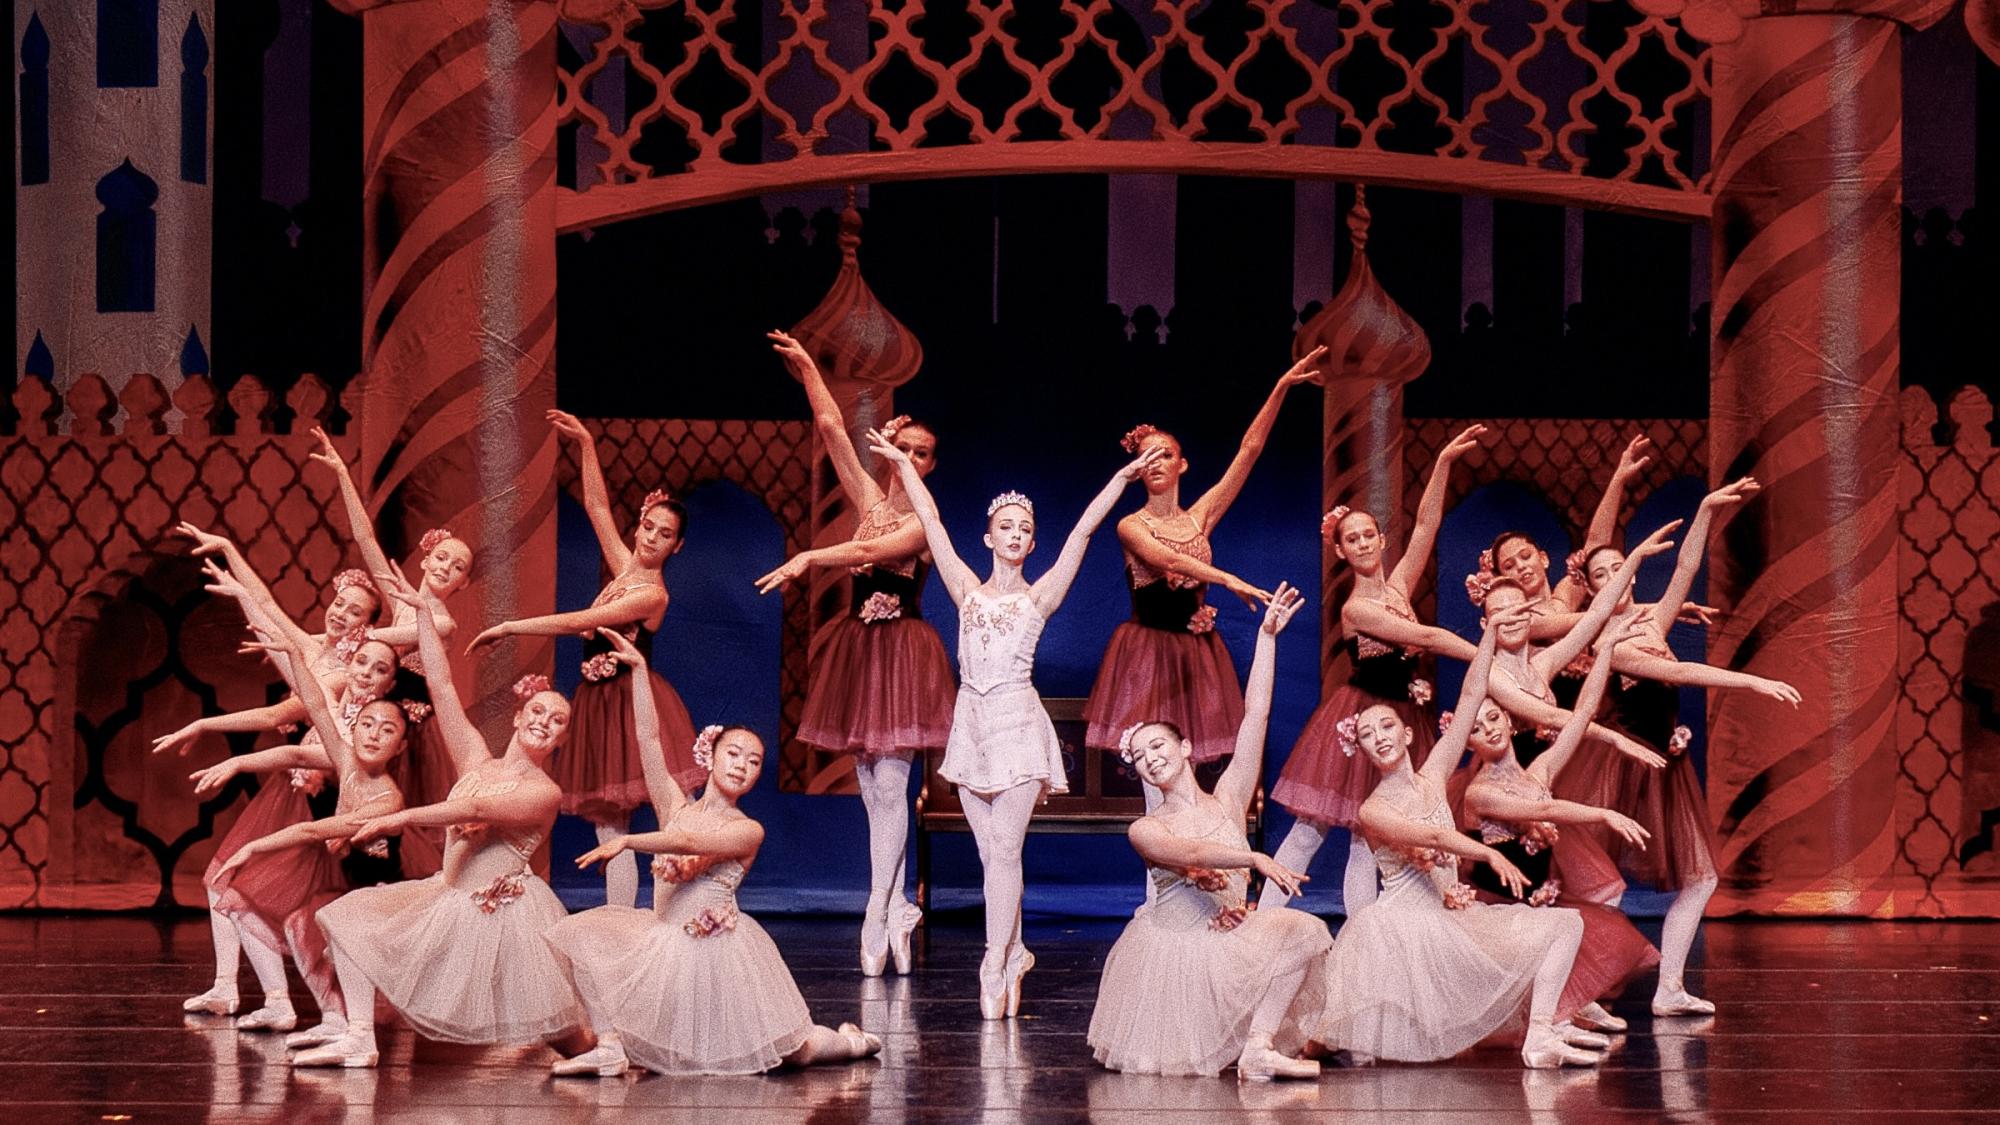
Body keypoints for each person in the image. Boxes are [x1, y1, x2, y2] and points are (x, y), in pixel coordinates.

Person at [870, 428, 1166, 1018]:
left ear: (1032, 544)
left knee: (1005, 851)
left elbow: (1082, 532)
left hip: (1019, 731)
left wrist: (1120, 480)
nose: (1014, 535)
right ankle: (1013, 952)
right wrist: (903, 465)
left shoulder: (1039, 598)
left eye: (1024, 529)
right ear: (988, 537)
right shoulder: (965, 591)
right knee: (994, 860)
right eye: (1005, 527)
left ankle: (993, 961)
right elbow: (930, 521)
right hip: (971, 732)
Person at [543, 629, 883, 1077]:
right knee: (583, 937)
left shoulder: (747, 830)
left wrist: (628, 840)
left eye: (753, 761)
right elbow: (648, 739)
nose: (742, 765)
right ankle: (609, 1047)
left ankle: (852, 1042)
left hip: (719, 954)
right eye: (734, 754)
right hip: (665, 942)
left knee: (795, 1050)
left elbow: (689, 843)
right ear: (710, 756)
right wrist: (640, 671)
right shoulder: (675, 807)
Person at [299, 571, 590, 1068]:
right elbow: (442, 685)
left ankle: (610, 1050)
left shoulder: (544, 792)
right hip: (450, 894)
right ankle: (360, 1038)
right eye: (538, 711)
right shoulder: (475, 757)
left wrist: (398, 818)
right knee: (344, 919)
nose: (544, 722)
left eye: (556, 720)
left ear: (561, 738)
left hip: (504, 914)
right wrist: (422, 617)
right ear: (518, 717)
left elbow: (474, 810)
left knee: (565, 1036)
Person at [1314, 605, 1604, 1069]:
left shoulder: (1434, 774)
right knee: (1353, 1049)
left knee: (1565, 925)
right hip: (1400, 930)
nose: (1380, 737)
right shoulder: (1373, 809)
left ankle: (1541, 1037)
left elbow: (1471, 692)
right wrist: (1488, 855)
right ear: (1360, 748)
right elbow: (1431, 834)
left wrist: (1490, 634)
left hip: (1450, 920)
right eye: (1367, 734)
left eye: (1387, 726)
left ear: (1408, 734)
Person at [1557, 477, 1801, 1016]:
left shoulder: (1651, 620)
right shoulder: (1607, 641)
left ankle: (1669, 988)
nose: (1614, 578)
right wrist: (1750, 680)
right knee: (1596, 883)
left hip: (1663, 766)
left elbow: (1685, 568)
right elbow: (1680, 671)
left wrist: (1707, 510)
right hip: (1617, 764)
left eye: (1618, 567)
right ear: (1592, 591)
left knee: (1702, 877)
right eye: (1600, 575)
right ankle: (1572, 990)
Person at [757, 330, 955, 975]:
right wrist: (810, 369)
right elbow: (832, 430)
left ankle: (877, 908)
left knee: (892, 786)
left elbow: (870, 553)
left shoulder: (923, 520)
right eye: (905, 447)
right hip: (860, 654)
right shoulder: (871, 503)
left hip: (903, 658)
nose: (910, 458)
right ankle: (895, 903)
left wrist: (811, 555)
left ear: (930, 465)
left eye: (922, 453)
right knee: (873, 790)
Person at [1087, 585, 1333, 1080]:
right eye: (1139, 756)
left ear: (1185, 748)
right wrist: (1254, 858)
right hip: (1180, 957)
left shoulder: (1229, 798)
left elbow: (1256, 715)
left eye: (1158, 746)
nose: (1150, 758)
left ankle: (1258, 1049)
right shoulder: (1146, 828)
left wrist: (1267, 638)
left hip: (1230, 940)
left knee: (1306, 930)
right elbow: (1193, 851)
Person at [468, 410, 701, 910]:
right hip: (597, 704)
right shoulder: (626, 570)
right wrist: (588, 446)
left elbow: (580, 621)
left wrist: (511, 627)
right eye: (648, 526)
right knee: (608, 827)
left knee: (658, 818)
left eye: (664, 534)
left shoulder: (651, 594)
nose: (650, 537)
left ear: (677, 546)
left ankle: (668, 911)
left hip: (630, 705)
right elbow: (597, 507)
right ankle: (619, 918)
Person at [159, 530, 381, 1020]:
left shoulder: (344, 671)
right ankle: (234, 990)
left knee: (243, 886)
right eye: (339, 604)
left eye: (355, 613)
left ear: (367, 627)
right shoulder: (317, 651)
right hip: (292, 779)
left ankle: (275, 1001)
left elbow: (276, 713)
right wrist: (230, 552)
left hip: (312, 788)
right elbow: (269, 611)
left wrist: (204, 724)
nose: (341, 614)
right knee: (227, 882)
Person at [1265, 424, 1484, 913]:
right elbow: (1428, 638)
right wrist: (1485, 654)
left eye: (1369, 535)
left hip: (1402, 719)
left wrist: (1443, 463)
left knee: (1369, 839)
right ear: (1340, 551)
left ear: (1381, 540)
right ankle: (1260, 926)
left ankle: (1361, 937)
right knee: (1310, 830)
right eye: (1352, 539)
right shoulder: (1357, 608)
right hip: (1359, 717)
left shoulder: (1398, 588)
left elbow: (1425, 526)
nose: (1363, 544)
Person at [1082, 347, 1326, 776]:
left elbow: (1249, 451)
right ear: (1137, 469)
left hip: (1196, 654)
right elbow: (1167, 558)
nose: (1156, 462)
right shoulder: (1130, 525)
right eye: (1146, 457)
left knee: (1187, 761)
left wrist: (1281, 387)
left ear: (1182, 464)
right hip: (1147, 654)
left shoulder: (1200, 517)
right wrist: (1228, 579)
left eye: (1165, 454)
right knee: (1151, 759)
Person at [205, 595, 423, 1048]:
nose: (374, 735)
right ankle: (334, 1018)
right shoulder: (347, 757)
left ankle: (354, 1031)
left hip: (370, 889)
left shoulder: (387, 793)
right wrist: (235, 759)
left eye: (386, 731)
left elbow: (314, 830)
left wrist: (255, 846)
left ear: (401, 744)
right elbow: (311, 717)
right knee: (287, 916)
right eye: (368, 727)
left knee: (319, 923)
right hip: (339, 872)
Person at [1460, 614, 1663, 1034]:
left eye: (1493, 719)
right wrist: (1603, 813)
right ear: (1468, 741)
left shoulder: (1538, 773)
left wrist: (1606, 651)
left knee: (1577, 927)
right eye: (1476, 729)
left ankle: (1566, 1011)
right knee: (1563, 928)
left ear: (1509, 720)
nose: (1489, 730)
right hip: (1495, 914)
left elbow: (1583, 713)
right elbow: (1544, 812)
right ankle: (1550, 1024)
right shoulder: (1480, 793)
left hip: (1534, 907)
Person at [306, 427, 474, 876]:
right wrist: (342, 473)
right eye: (442, 557)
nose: (447, 567)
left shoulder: (442, 621)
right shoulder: (401, 601)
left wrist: (348, 641)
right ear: (426, 558)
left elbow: (383, 638)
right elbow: (365, 538)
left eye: (458, 567)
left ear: (463, 584)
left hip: (413, 731)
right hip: (378, 717)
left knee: (401, 824)